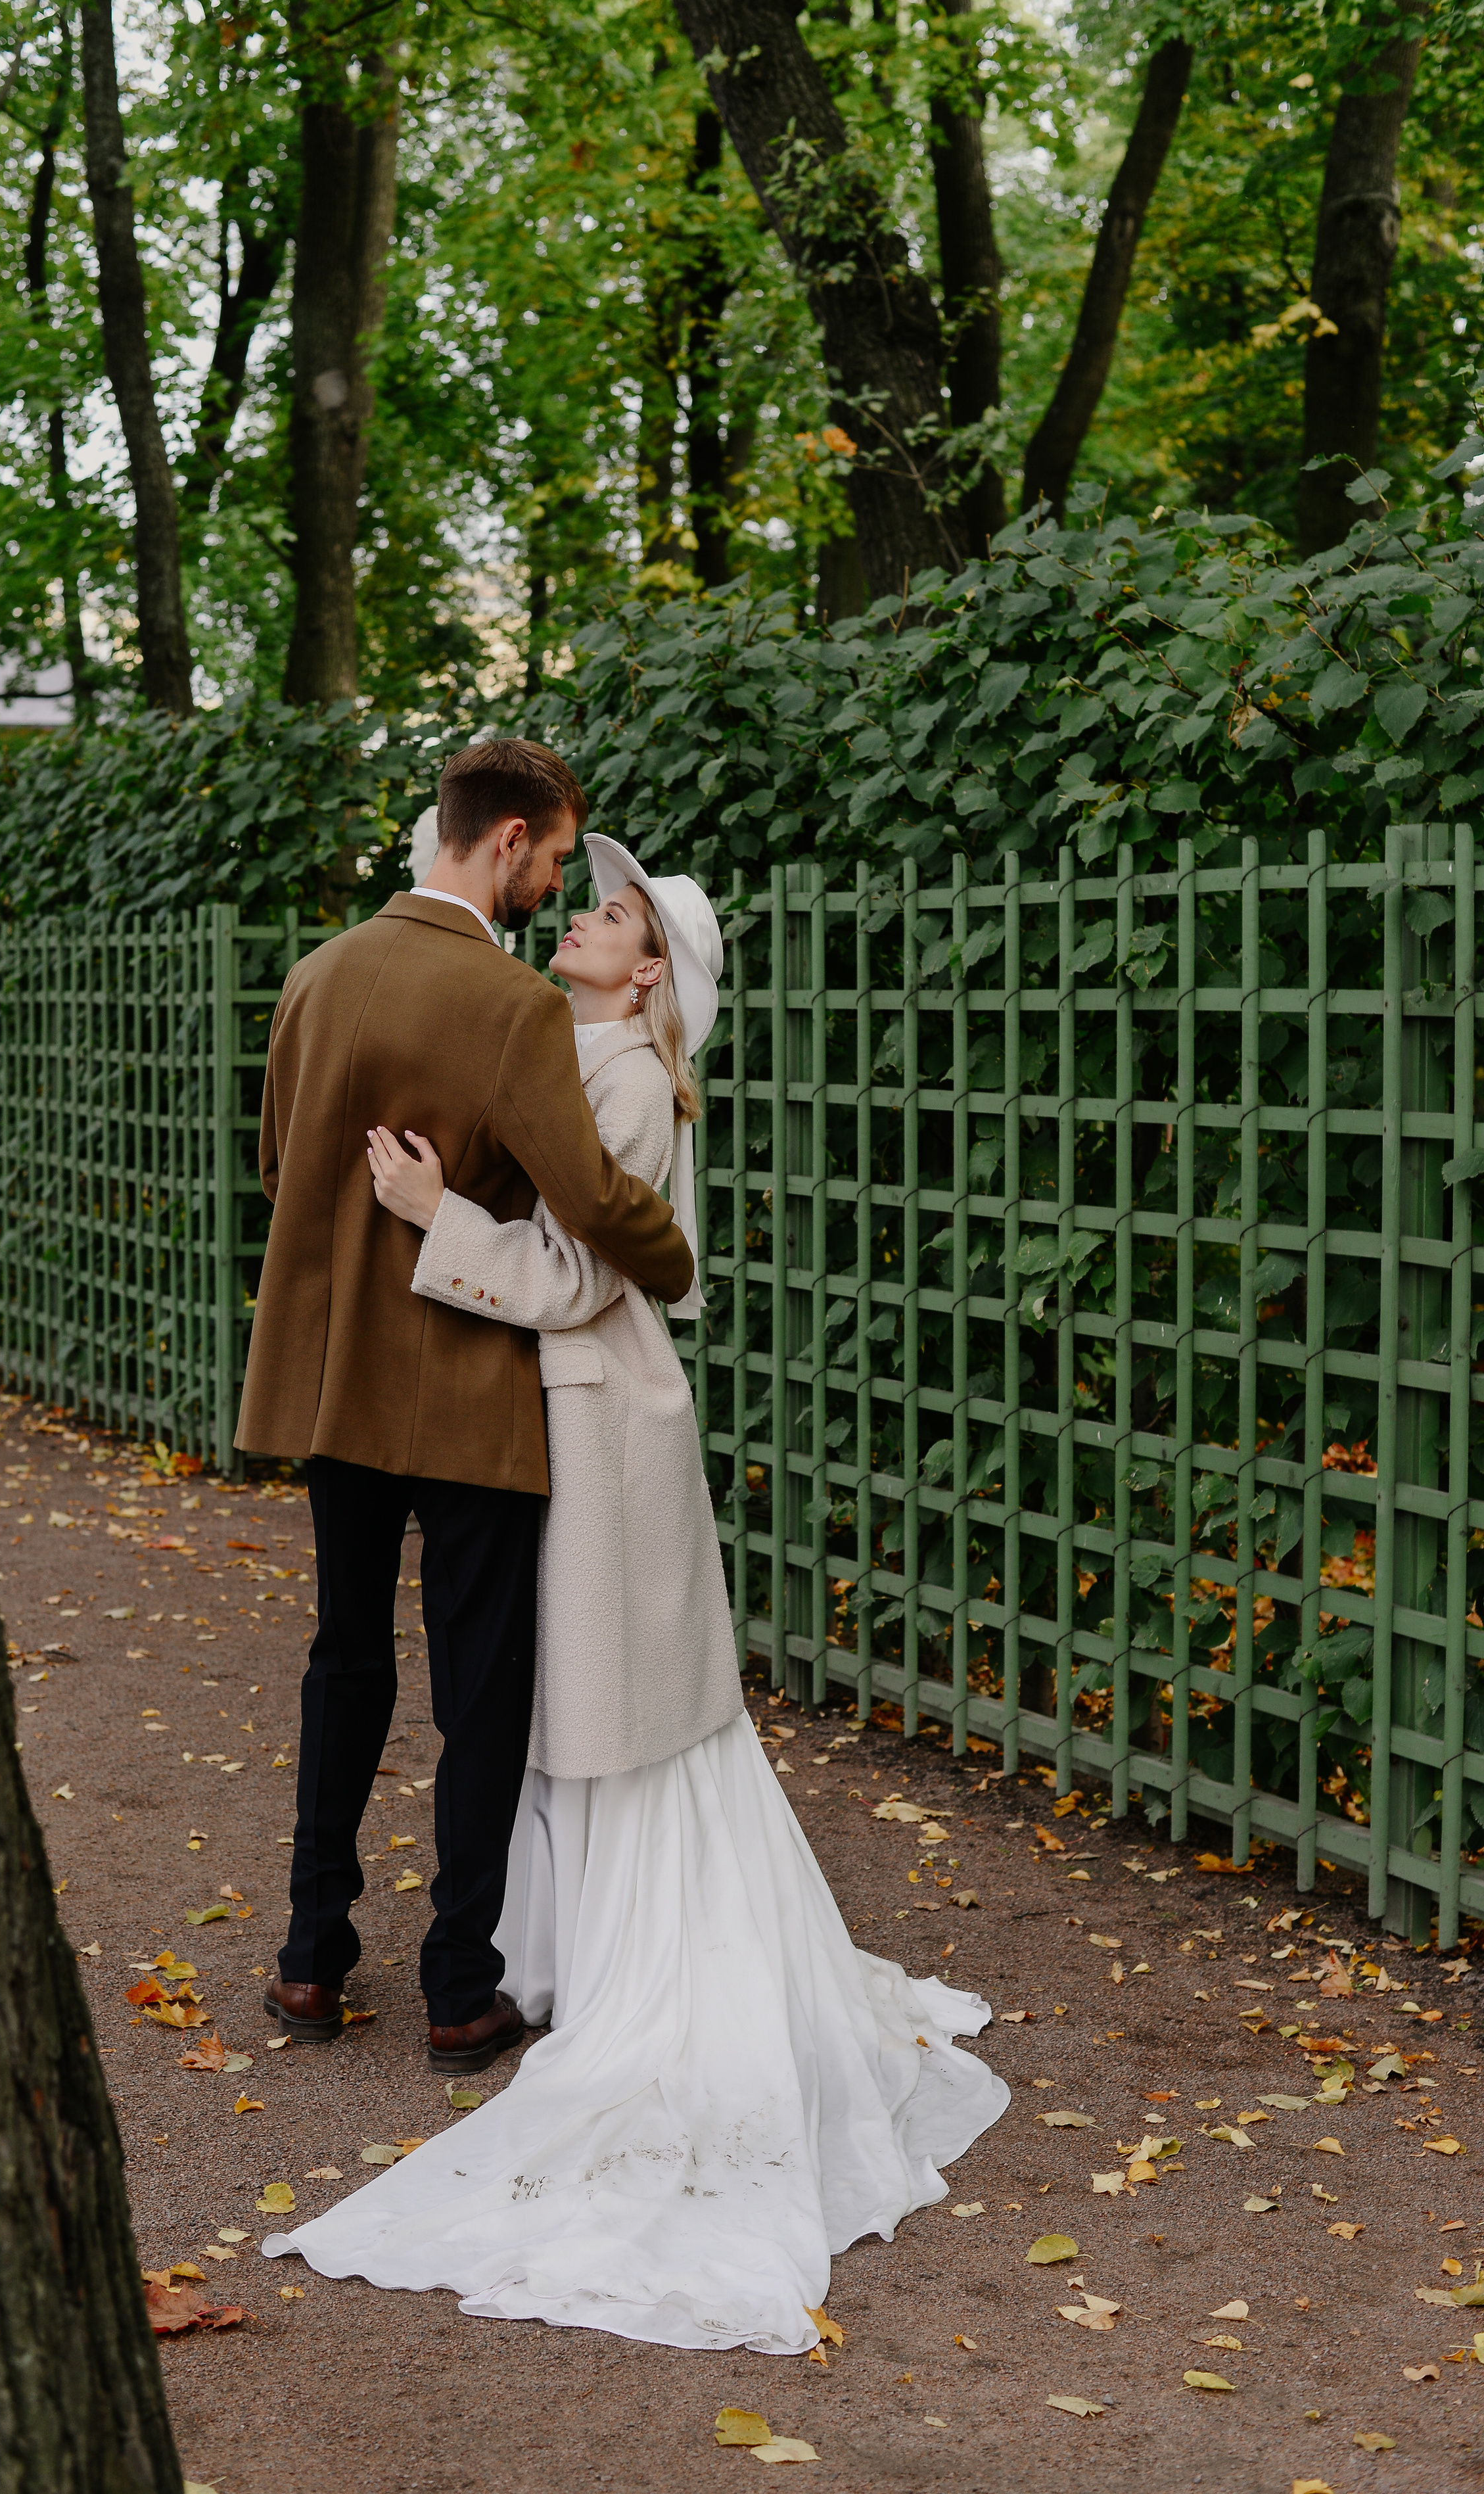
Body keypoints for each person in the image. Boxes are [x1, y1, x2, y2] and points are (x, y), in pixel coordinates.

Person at [260, 837, 1011, 2356]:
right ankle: (525, 1957)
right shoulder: (565, 1045)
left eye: (604, 916)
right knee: (539, 1698)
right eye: (582, 900)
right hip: (550, 1416)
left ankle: (568, 1964)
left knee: (582, 1700)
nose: (577, 922)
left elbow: (580, 1275)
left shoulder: (620, 1081)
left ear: (649, 968)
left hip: (595, 1422)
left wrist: (425, 1214)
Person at [235, 744, 695, 2073]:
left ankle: (310, 1959)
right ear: (502, 843)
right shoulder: (508, 1009)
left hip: (335, 1381)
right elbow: (595, 1205)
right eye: (553, 861)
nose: (554, 883)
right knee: (479, 1691)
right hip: (469, 1394)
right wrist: (673, 1261)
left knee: (342, 1662)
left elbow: (281, 1167)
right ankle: (456, 1985)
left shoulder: (316, 978)